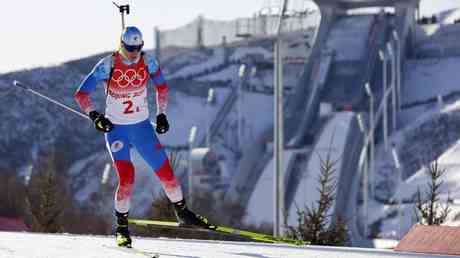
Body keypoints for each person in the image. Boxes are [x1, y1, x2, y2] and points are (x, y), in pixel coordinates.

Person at [74, 26, 211, 248]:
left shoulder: (148, 62)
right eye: (130, 48)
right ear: (122, 44)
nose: (135, 52)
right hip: (117, 130)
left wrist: (162, 115)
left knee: (166, 173)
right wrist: (95, 115)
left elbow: (162, 88)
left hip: (142, 129)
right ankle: (121, 229)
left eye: (138, 48)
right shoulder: (107, 65)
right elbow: (81, 94)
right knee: (127, 178)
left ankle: (183, 212)